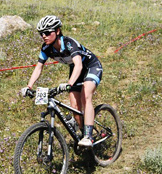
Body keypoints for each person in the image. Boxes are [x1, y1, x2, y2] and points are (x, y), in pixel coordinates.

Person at [20, 15, 103, 147]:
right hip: (76, 70)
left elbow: (79, 65)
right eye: (41, 34)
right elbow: (39, 67)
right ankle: (83, 135)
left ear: (57, 31)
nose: (44, 36)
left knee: (85, 96)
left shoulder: (69, 43)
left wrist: (69, 84)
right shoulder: (46, 48)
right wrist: (29, 86)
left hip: (91, 66)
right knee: (75, 108)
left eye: (47, 32)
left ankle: (89, 136)